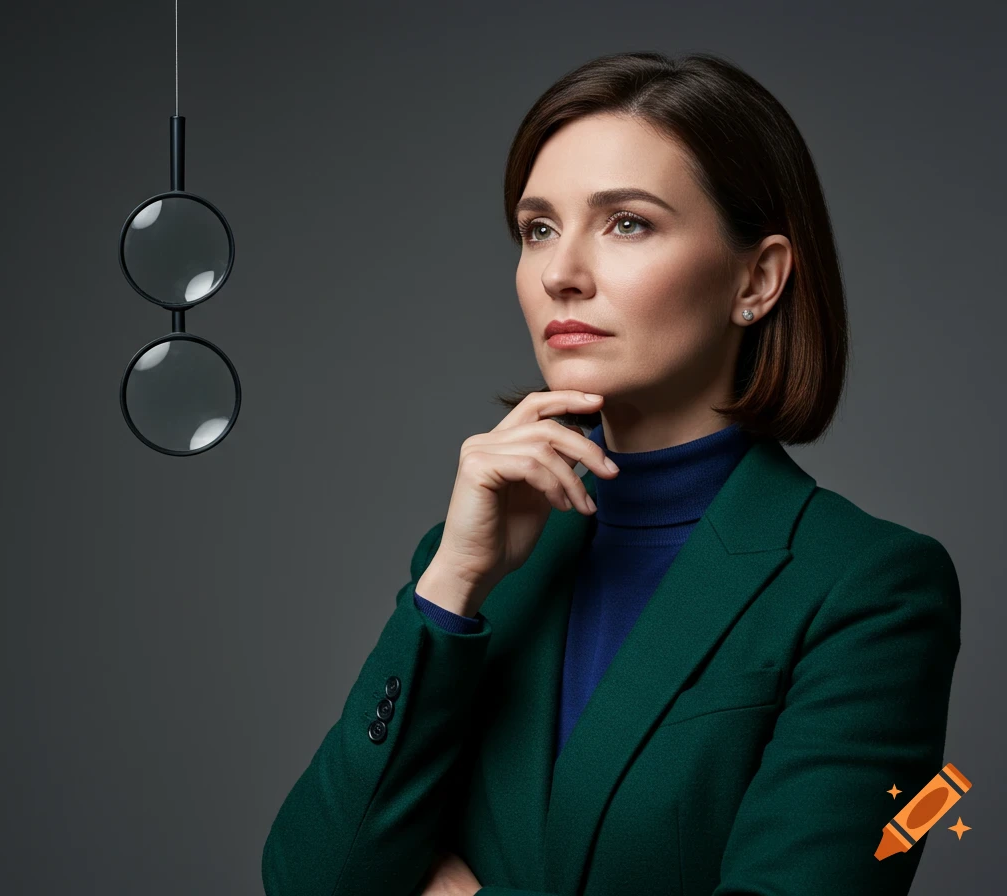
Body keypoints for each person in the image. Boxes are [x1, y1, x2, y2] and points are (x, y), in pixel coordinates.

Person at [261, 51, 961, 896]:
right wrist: (449, 587)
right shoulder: (471, 573)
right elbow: (310, 880)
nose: (560, 273)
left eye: (627, 222)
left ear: (758, 278)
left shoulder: (867, 588)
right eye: (538, 229)